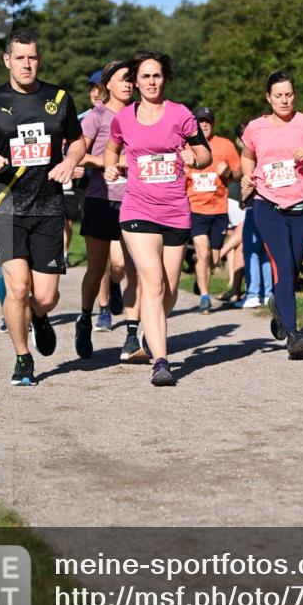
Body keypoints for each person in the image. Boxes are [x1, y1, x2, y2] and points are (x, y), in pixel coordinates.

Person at [0, 29, 85, 386]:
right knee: (17, 287)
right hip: (5, 206)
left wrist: (68, 161)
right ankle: (22, 358)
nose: (26, 64)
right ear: (7, 60)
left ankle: (38, 316)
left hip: (47, 206)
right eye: (20, 58)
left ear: (39, 59)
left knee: (46, 295)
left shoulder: (59, 98)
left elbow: (77, 142)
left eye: (32, 58)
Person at [104, 50, 212, 386]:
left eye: (157, 75)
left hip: (175, 210)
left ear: (165, 79)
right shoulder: (123, 118)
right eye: (145, 76)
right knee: (151, 282)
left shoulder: (181, 114)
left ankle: (154, 328)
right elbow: (112, 147)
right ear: (135, 82)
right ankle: (161, 362)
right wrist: (110, 164)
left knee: (169, 289)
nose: (151, 82)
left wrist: (193, 159)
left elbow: (205, 153)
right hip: (137, 208)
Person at [241, 70, 303, 358]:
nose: (284, 100)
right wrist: (247, 177)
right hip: (267, 205)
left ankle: (278, 305)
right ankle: (294, 336)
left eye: (289, 94)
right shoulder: (255, 127)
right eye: (278, 95)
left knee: (292, 271)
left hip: (301, 207)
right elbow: (247, 155)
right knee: (282, 265)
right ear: (268, 97)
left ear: (294, 95)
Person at [75, 60, 146, 361]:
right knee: (96, 269)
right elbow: (78, 155)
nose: (129, 84)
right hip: (101, 200)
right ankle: (85, 319)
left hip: (137, 199)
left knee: (132, 268)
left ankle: (132, 335)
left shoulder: (142, 115)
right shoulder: (96, 117)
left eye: (132, 79)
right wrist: (109, 164)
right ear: (107, 85)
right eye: (123, 79)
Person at [184, 107, 241, 315]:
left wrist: (229, 172)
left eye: (207, 121)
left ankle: (202, 278)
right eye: (200, 121)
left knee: (214, 259)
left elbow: (239, 172)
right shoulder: (186, 146)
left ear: (213, 124)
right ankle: (205, 297)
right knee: (202, 250)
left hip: (219, 209)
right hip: (195, 208)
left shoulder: (225, 145)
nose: (204, 124)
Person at [233, 122, 272, 309]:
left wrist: (243, 196)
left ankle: (253, 293)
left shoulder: (250, 158)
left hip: (253, 207)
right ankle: (267, 292)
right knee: (263, 252)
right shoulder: (265, 152)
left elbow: (247, 190)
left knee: (250, 252)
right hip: (268, 207)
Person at [216, 196, 246, 303]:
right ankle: (233, 286)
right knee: (232, 249)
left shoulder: (227, 205)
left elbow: (241, 230)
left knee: (239, 246)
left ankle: (218, 257)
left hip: (249, 228)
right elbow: (231, 233)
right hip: (240, 230)